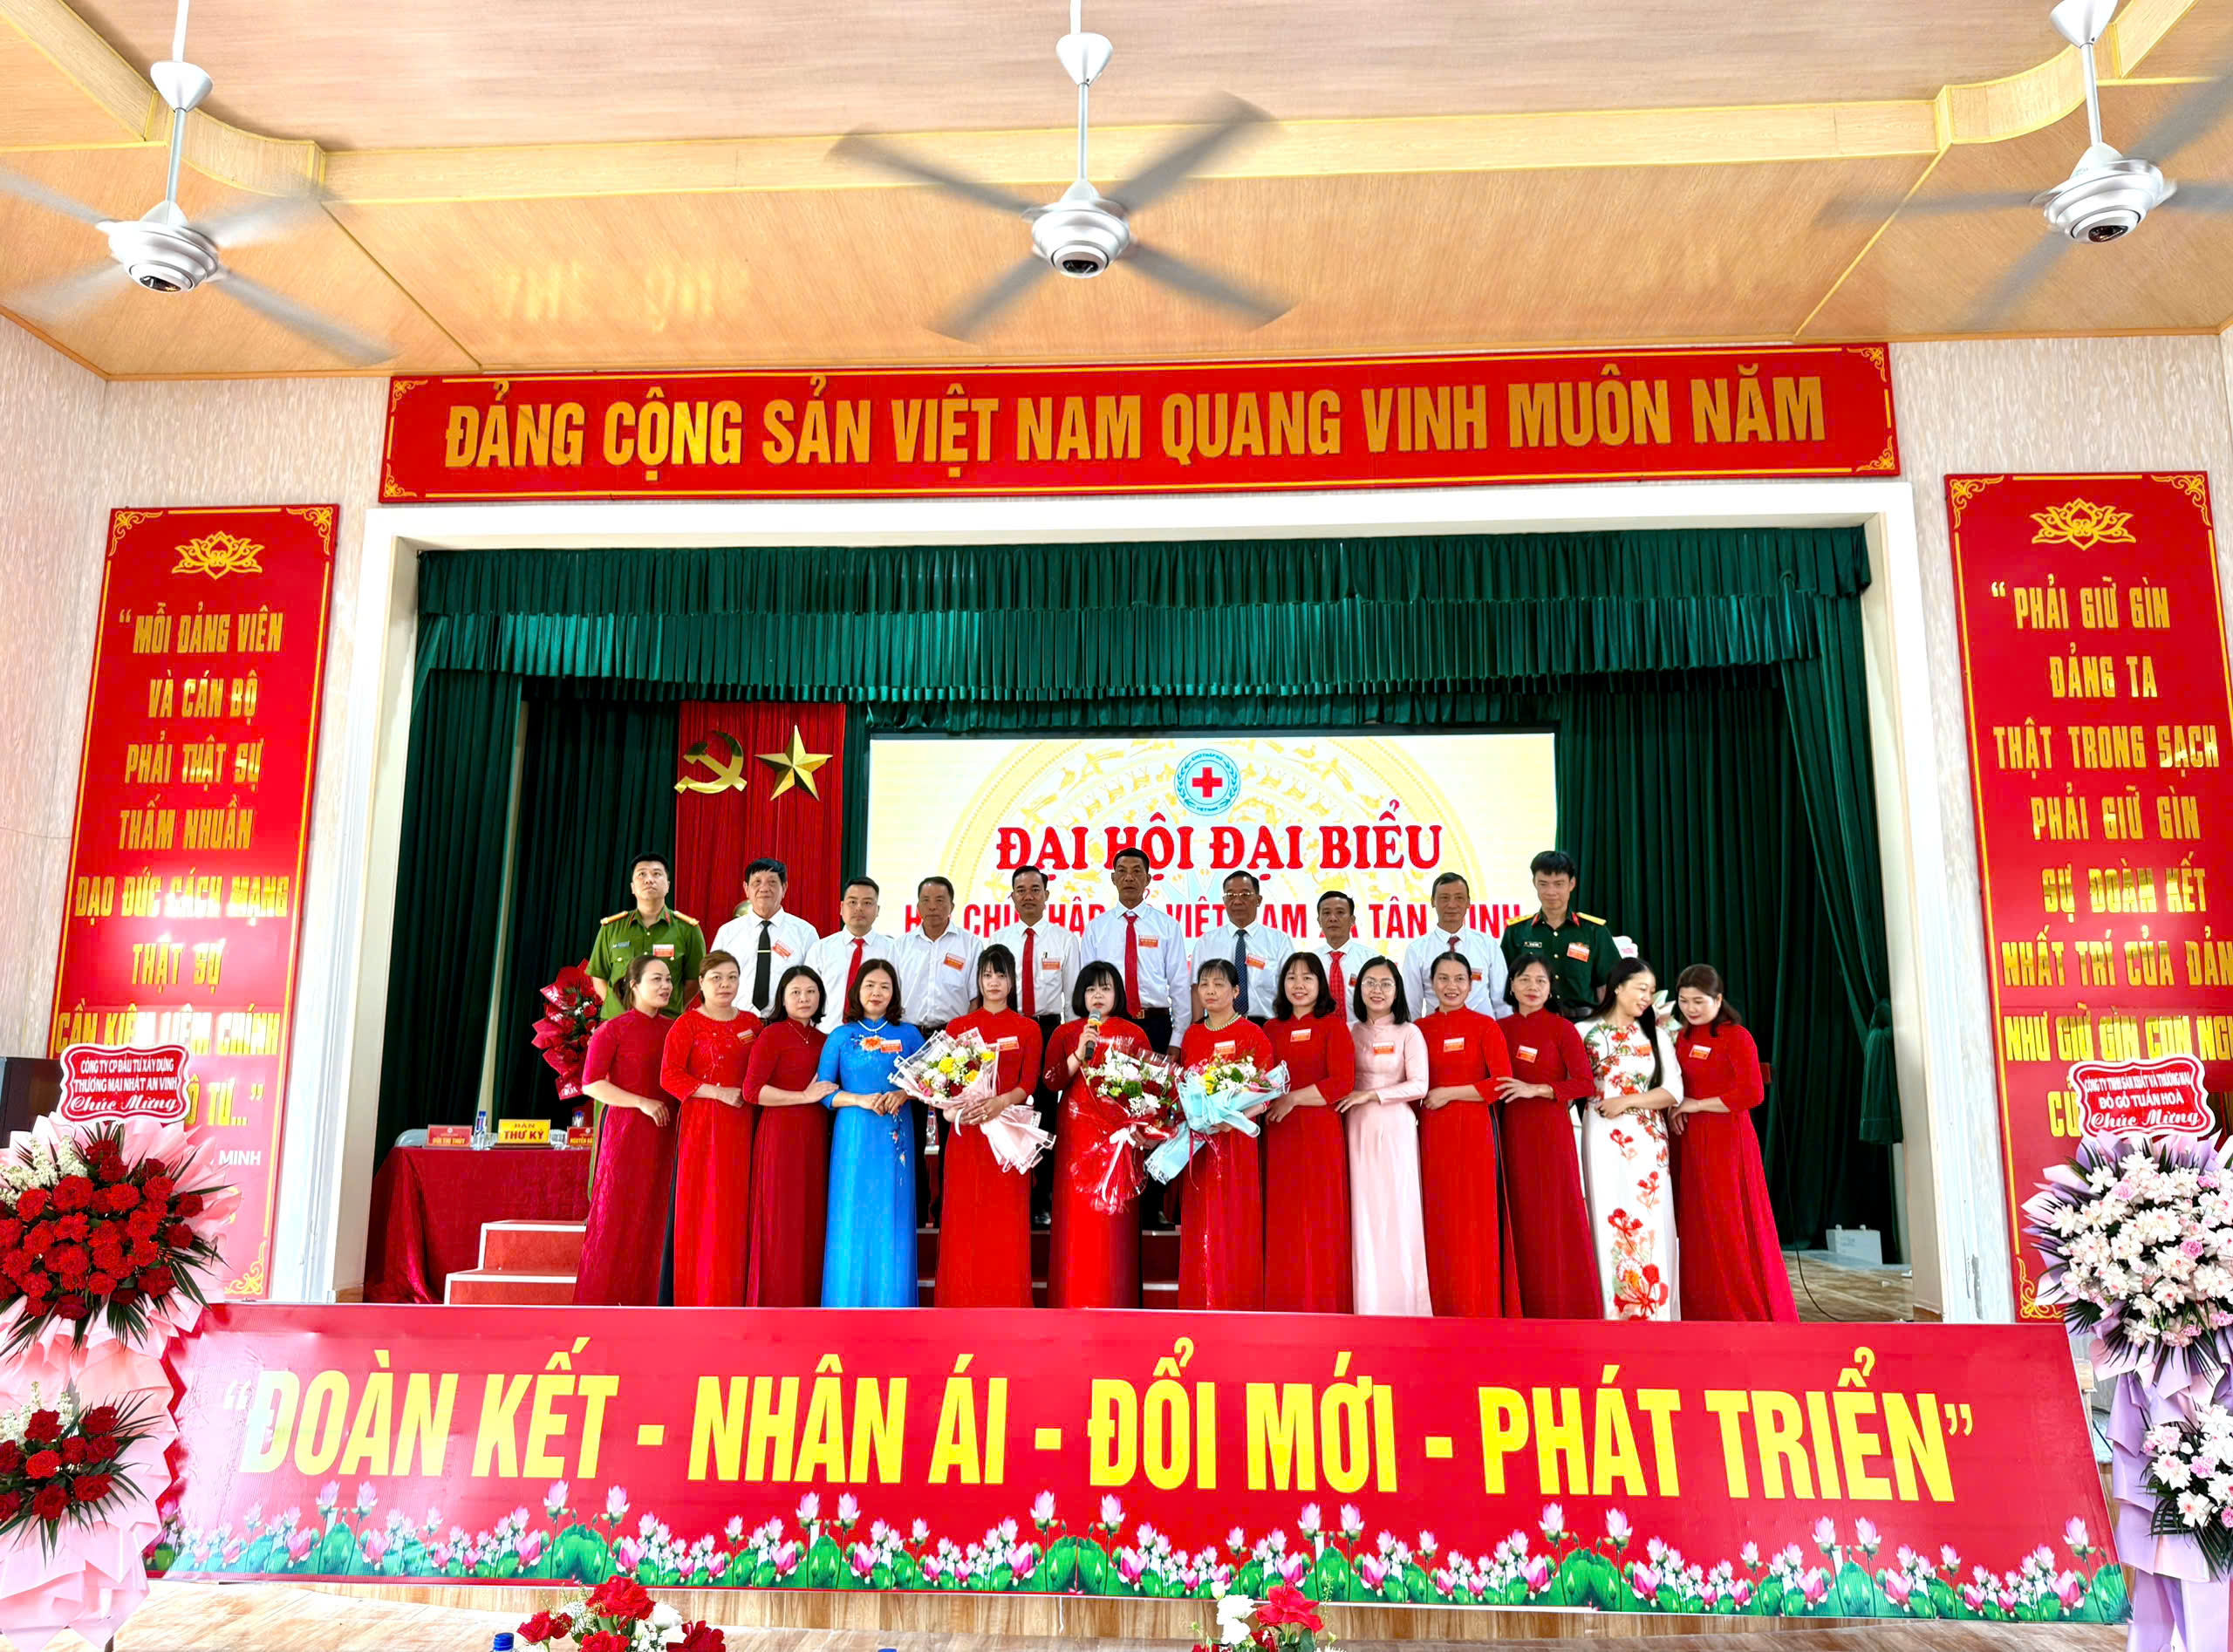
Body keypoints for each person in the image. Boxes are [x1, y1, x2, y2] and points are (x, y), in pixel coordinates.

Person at [1670, 965, 1799, 1323]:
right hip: (1690, 1140)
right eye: (1684, 1001)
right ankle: (1703, 1307)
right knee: (1696, 1223)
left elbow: (1752, 1093)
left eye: (1699, 1001)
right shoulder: (1681, 1038)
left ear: (1718, 999)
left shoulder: (1736, 1036)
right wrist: (1676, 1109)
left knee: (1729, 1222)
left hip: (1727, 1139)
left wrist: (1696, 1105)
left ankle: (1743, 1306)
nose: (1691, 1008)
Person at [1496, 958, 1604, 1319]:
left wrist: (1539, 1089)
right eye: (1525, 979)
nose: (1532, 987)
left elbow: (1584, 1084)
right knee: (1518, 1216)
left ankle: (1562, 1303)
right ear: (1512, 985)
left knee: (1553, 1215)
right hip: (1509, 1133)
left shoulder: (1562, 1029)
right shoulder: (1498, 1028)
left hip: (1550, 1135)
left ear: (1550, 989)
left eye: (1540, 981)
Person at [1578, 958, 1685, 1322]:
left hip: (1647, 1140)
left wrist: (1626, 1101)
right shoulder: (1584, 1031)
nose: (1647, 997)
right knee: (1606, 1212)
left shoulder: (1655, 1035)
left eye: (1651, 992)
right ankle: (1608, 1310)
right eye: (1641, 988)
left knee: (1648, 1214)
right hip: (1599, 1137)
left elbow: (1672, 1091)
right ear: (1618, 987)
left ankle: (1652, 1311)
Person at [813, 959, 925, 1308]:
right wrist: (859, 1099)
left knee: (893, 1214)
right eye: (870, 986)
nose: (877, 993)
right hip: (853, 1135)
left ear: (894, 993)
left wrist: (904, 1093)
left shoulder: (909, 1034)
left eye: (884, 987)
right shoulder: (840, 1036)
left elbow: (928, 1085)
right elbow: (823, 1092)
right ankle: (845, 1304)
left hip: (895, 1133)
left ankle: (894, 1304)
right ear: (857, 991)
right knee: (851, 1213)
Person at [938, 945, 1044, 1308]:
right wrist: (957, 1110)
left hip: (1008, 1134)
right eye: (987, 975)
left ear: (1012, 981)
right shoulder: (958, 1028)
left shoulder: (1028, 1029)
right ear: (978, 980)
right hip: (969, 1134)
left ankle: (1008, 1303)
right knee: (965, 1217)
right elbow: (944, 1084)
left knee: (1005, 1220)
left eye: (1001, 975)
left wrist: (1000, 1102)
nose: (993, 982)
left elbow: (1028, 1083)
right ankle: (959, 1301)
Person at [1415, 951, 1518, 1317]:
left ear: (1472, 984)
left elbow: (1501, 1083)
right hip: (1431, 1135)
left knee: (1474, 1219)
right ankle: (1440, 1306)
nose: (1451, 986)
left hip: (1475, 1132)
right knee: (1438, 1217)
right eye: (1443, 978)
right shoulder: (1419, 1029)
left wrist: (1449, 1093)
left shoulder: (1485, 1026)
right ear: (1431, 983)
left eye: (1459, 979)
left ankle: (1478, 1305)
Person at [573, 956, 681, 1306]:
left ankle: (654, 1300)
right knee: (619, 1212)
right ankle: (606, 1301)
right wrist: (641, 1103)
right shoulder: (612, 1029)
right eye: (656, 979)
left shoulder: (676, 1029)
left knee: (660, 1213)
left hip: (668, 1134)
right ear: (634, 985)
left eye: (668, 979)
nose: (666, 986)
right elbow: (591, 1084)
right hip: (626, 1134)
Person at [1044, 961, 1150, 1308]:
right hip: (1077, 1135)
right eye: (1091, 989)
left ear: (1118, 993)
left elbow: (1151, 1087)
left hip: (1119, 1139)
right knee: (1077, 1221)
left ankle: (1117, 1300)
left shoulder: (1134, 1034)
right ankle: (1071, 1299)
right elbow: (1051, 1081)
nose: (1098, 995)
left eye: (1105, 988)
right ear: (1081, 995)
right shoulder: (1066, 1033)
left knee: (1115, 1222)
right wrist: (1078, 1054)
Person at [661, 951, 761, 1307]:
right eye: (716, 978)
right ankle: (699, 1295)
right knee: (704, 1206)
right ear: (701, 982)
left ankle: (737, 1294)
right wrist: (718, 1093)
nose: (724, 985)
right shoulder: (687, 1024)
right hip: (702, 1127)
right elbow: (669, 1076)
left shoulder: (752, 1023)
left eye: (732, 977)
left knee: (738, 1208)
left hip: (744, 1126)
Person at [1175, 959, 1274, 1310]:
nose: (1211, 991)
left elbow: (1266, 1092)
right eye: (1204, 984)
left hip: (1236, 1140)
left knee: (1234, 1219)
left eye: (1219, 984)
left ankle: (1237, 1301)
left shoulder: (1253, 1034)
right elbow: (1184, 1087)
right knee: (1200, 1216)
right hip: (1200, 1142)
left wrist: (1233, 1118)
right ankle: (1198, 1300)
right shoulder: (1192, 1035)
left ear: (1235, 991)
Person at [988, 864, 1080, 1229]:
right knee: (1008, 1110)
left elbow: (1073, 999)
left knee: (1043, 1114)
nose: (1028, 896)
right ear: (1012, 897)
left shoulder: (1065, 939)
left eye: (1035, 889)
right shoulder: (999, 939)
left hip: (1048, 1030)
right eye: (1021, 890)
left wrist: (1071, 1043)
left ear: (1046, 895)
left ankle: (1042, 1198)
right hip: (1009, 1030)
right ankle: (1009, 1193)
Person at [1262, 952, 1355, 1314]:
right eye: (1291, 978)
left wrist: (1293, 1099)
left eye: (1307, 978)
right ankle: (1284, 1302)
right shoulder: (1270, 1030)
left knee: (1320, 1216)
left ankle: (1324, 1302)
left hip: (1320, 1133)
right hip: (1279, 1134)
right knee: (1283, 1217)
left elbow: (1342, 1083)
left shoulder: (1333, 1027)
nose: (1298, 985)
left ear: (1321, 985)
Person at [1346, 958, 1432, 1317]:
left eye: (1386, 983)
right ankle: (1366, 1303)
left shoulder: (1409, 1032)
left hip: (1395, 1127)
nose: (1377, 990)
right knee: (1362, 1212)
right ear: (1359, 988)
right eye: (1370, 982)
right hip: (1355, 1127)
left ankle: (1405, 1306)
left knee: (1397, 1210)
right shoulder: (1348, 1031)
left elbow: (1420, 1085)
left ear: (1398, 990)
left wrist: (1372, 1094)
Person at [741, 964, 831, 1307]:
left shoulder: (825, 1040)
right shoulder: (772, 1036)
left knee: (811, 1216)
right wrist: (803, 1096)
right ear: (782, 998)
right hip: (780, 1136)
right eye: (795, 992)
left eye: (810, 992)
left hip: (817, 1137)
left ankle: (809, 1301)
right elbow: (752, 1091)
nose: (804, 998)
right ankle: (775, 1302)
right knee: (780, 1217)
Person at [1082, 847, 1192, 1051]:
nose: (1129, 878)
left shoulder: (1167, 926)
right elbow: (1087, 986)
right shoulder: (1096, 928)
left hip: (1156, 1026)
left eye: (1137, 871)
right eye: (1122, 871)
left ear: (1148, 879)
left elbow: (1179, 984)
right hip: (1111, 1024)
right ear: (1113, 878)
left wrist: (1177, 1038)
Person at [1500, 851, 1624, 1022]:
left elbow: (1608, 986)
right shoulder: (1517, 931)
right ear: (1534, 883)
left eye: (1559, 884)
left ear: (1571, 884)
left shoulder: (1594, 931)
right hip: (1533, 1023)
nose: (1551, 892)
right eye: (1543, 884)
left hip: (1583, 1024)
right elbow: (1504, 985)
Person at [587, 852, 705, 1021]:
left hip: (665, 1025)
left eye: (657, 874)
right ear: (632, 887)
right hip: (617, 1024)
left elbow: (694, 980)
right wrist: (617, 1005)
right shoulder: (611, 928)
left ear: (668, 886)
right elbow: (599, 975)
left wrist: (670, 1007)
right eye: (642, 874)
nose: (649, 880)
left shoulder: (687, 930)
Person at [710, 857, 821, 1020]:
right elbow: (713, 982)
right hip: (736, 1023)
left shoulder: (805, 933)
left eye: (772, 882)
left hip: (786, 1024)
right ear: (746, 889)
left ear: (784, 888)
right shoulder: (727, 933)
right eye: (757, 882)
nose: (764, 888)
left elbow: (815, 985)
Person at [1399, 872, 1509, 1021]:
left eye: (1459, 898)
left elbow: (1501, 1002)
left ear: (1468, 902)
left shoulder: (1488, 945)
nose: (1452, 905)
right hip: (1435, 1030)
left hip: (1482, 1031)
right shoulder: (1417, 950)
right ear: (1433, 901)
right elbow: (1412, 1005)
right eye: (1444, 898)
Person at [1192, 871, 1294, 1023]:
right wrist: (1198, 1028)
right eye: (1230, 895)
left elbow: (1292, 987)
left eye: (1245, 895)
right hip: (1219, 1025)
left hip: (1268, 1025)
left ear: (1258, 900)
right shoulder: (1207, 942)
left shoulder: (1279, 941)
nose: (1237, 901)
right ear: (1224, 901)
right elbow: (1196, 990)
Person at [802, 877, 898, 1034]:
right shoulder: (821, 949)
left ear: (877, 910)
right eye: (852, 902)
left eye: (867, 903)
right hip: (826, 1036)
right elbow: (807, 995)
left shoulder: (893, 949)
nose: (859, 908)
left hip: (876, 1037)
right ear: (841, 908)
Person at [1303, 890, 1379, 1027]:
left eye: (1340, 912)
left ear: (1352, 920)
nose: (1333, 918)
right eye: (1326, 913)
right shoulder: (1307, 962)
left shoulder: (1371, 960)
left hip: (1363, 1033)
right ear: (1319, 921)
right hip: (1319, 1033)